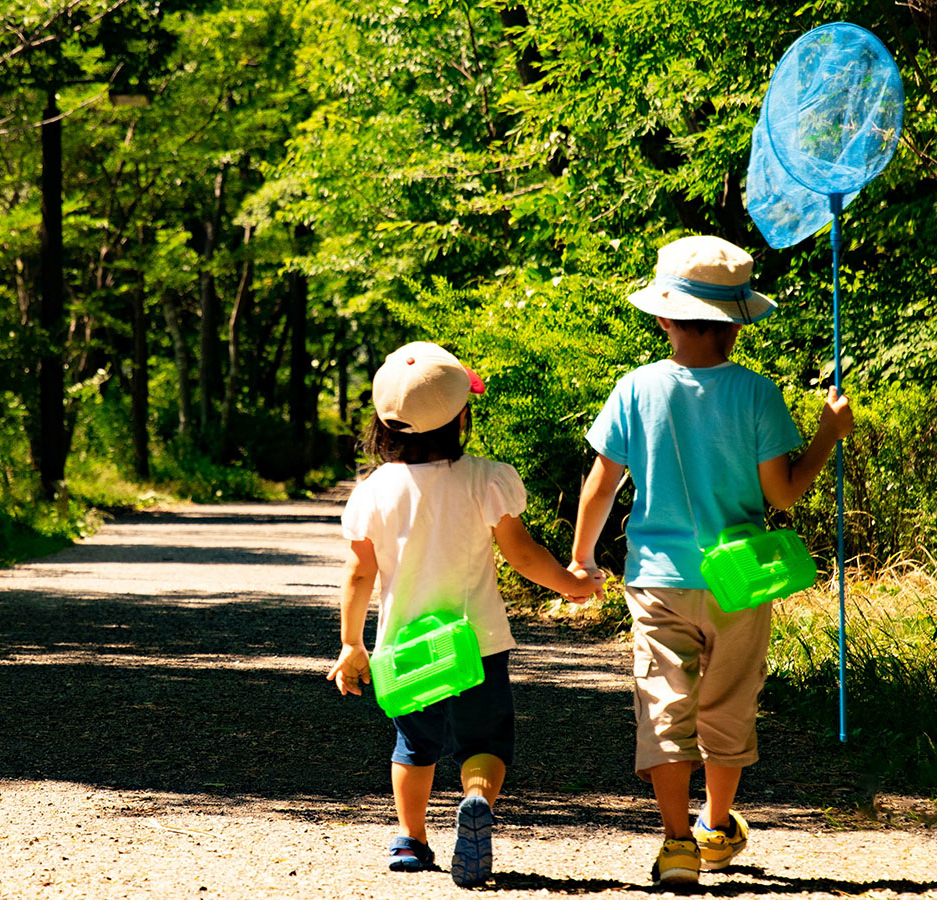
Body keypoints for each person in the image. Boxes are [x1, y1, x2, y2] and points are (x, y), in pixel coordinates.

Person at [570, 235, 853, 886]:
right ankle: (717, 824)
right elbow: (781, 493)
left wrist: (583, 558)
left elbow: (600, 485)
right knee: (727, 704)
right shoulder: (755, 394)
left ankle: (677, 846)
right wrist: (826, 437)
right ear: (737, 324)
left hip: (657, 581)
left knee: (667, 707)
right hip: (741, 582)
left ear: (664, 316)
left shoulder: (636, 388)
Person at [327, 341, 602, 888]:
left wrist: (351, 644)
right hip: (478, 643)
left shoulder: (373, 491)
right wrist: (570, 584)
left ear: (384, 424)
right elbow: (522, 554)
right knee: (485, 743)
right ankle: (475, 799)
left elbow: (359, 575)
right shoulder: (487, 477)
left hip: (404, 647)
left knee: (414, 744)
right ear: (460, 416)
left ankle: (412, 840)